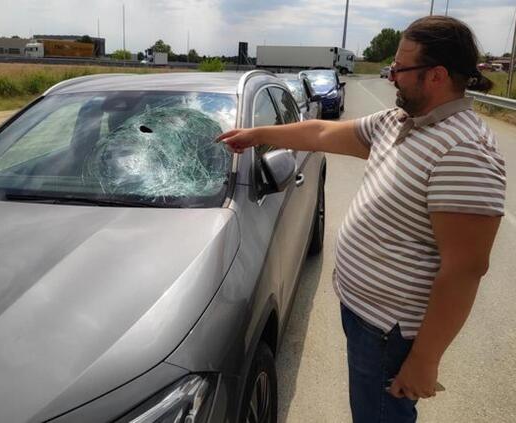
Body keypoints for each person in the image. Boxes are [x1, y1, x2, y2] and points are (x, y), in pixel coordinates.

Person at [217, 16, 506, 423]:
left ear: (437, 76)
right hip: (364, 315)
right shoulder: (398, 122)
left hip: (390, 334)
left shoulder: (464, 152)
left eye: (400, 69)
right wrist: (255, 134)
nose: (391, 77)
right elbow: (320, 133)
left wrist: (425, 360)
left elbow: (465, 270)